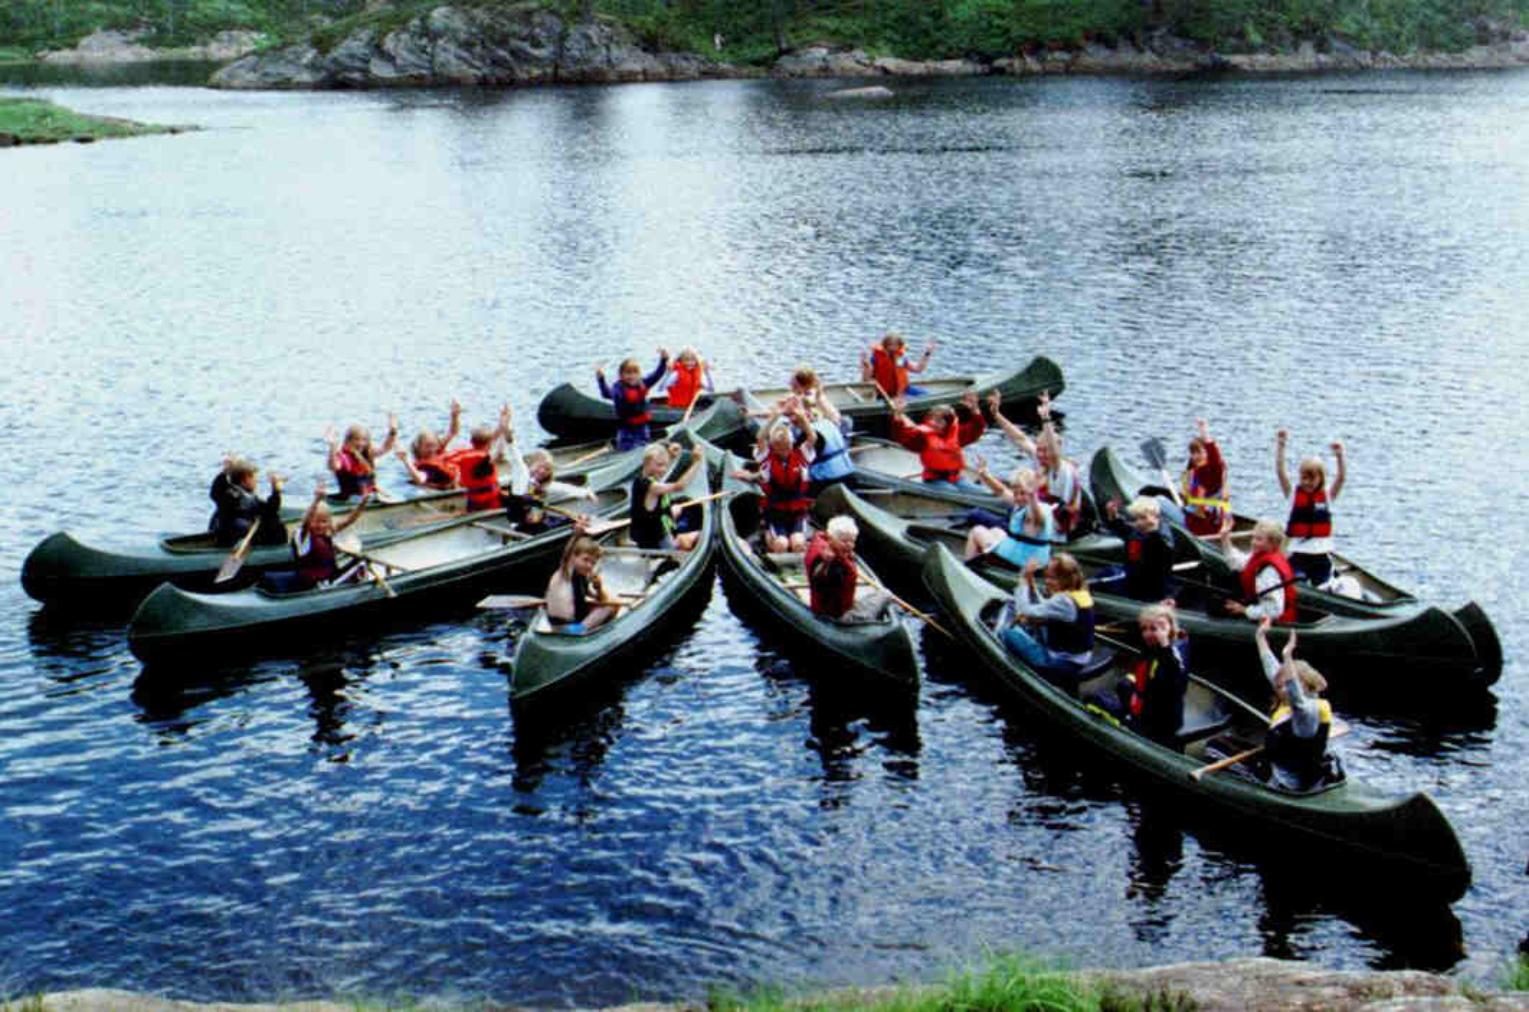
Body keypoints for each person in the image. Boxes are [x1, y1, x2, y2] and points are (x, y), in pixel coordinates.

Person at [1255, 616, 1339, 790]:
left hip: (1290, 783)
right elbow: (1272, 669)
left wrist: (1287, 656)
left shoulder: (1306, 712)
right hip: (1281, 764)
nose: (1282, 688)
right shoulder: (1286, 693)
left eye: (1288, 683)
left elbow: (1296, 697)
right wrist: (1260, 637)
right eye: (1281, 685)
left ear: (1307, 685)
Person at [986, 389, 1085, 535]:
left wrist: (1046, 418)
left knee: (981, 517)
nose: (1040, 454)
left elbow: (1053, 452)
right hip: (1037, 516)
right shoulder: (1041, 458)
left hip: (1053, 528)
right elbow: (1020, 438)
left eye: (1045, 450)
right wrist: (996, 414)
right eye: (1039, 449)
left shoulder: (1063, 470)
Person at [995, 553, 1096, 684]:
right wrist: (1031, 584)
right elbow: (1044, 607)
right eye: (1047, 577)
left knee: (1006, 633)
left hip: (1061, 663)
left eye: (1052, 578)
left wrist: (1023, 582)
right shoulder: (1079, 593)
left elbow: (1024, 609)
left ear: (1065, 579)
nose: (1047, 582)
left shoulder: (1064, 601)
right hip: (1079, 658)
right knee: (1031, 622)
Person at [262, 484, 373, 593]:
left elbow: (349, 521)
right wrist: (316, 500)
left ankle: (356, 587)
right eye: (316, 521)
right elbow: (305, 521)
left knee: (360, 561)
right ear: (310, 521)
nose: (320, 525)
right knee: (362, 563)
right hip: (319, 584)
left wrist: (362, 504)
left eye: (324, 521)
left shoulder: (327, 533)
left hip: (330, 577)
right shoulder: (304, 536)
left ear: (329, 522)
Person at [741, 399, 816, 552]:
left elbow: (812, 438)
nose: (784, 451)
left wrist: (802, 418)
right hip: (775, 512)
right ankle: (769, 538)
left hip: (797, 512)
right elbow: (760, 438)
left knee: (798, 543)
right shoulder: (767, 457)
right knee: (782, 544)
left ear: (791, 445)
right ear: (774, 446)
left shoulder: (801, 455)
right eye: (779, 447)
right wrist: (775, 416)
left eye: (787, 446)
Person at [1275, 430, 1347, 587]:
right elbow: (1281, 472)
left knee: (1323, 585)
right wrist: (1281, 445)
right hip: (1299, 555)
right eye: (1303, 478)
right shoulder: (1294, 494)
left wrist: (1340, 456)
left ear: (1321, 478)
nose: (1307, 482)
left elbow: (1341, 478)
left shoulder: (1327, 495)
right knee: (1297, 581)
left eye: (1312, 478)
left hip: (1321, 557)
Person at [1117, 603, 1191, 749]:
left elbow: (1173, 674)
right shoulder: (1151, 646)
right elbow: (1134, 628)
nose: (1148, 634)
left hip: (1162, 715)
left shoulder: (1172, 653)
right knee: (1124, 684)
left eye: (1155, 629)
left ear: (1169, 629)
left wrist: (1164, 643)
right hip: (1147, 699)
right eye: (1145, 629)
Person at [888, 390, 986, 492]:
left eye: (939, 421)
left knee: (981, 492)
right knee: (951, 491)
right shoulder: (923, 437)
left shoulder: (956, 433)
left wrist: (975, 409)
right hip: (934, 480)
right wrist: (898, 414)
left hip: (956, 478)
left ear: (948, 424)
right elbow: (902, 436)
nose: (933, 423)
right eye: (932, 419)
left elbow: (977, 428)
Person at [964, 462, 1057, 569]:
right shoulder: (1023, 503)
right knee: (997, 531)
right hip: (1030, 558)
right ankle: (979, 560)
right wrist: (986, 475)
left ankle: (969, 568)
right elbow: (1001, 491)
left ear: (1033, 492)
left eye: (1022, 493)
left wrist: (1032, 496)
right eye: (1015, 493)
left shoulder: (1035, 511)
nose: (1018, 497)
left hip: (1021, 562)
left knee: (977, 531)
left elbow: (1037, 518)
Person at [804, 516, 892, 622]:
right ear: (831, 538)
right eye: (844, 541)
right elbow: (821, 581)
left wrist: (844, 557)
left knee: (877, 595)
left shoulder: (822, 544)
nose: (850, 545)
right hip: (837, 615)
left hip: (835, 605)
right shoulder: (833, 565)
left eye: (852, 541)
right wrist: (828, 563)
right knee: (886, 594)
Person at [1217, 518, 1298, 624]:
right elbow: (1237, 563)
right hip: (1259, 607)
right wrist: (1225, 538)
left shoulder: (1269, 571)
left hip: (1276, 624)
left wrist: (1245, 610)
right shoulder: (1262, 555)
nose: (1253, 542)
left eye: (1259, 539)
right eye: (1253, 538)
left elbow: (1275, 610)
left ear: (1272, 543)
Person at [544, 524, 620, 634]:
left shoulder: (583, 577)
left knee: (611, 606)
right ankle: (584, 631)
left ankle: (592, 630)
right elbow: (567, 556)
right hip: (564, 628)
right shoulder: (565, 574)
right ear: (574, 557)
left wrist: (598, 588)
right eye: (585, 560)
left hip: (577, 621)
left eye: (592, 563)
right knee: (609, 608)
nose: (589, 565)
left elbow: (601, 600)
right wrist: (577, 535)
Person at [791, 368, 855, 493]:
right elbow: (836, 417)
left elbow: (794, 463)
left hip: (828, 482)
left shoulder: (809, 434)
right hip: (849, 477)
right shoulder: (828, 423)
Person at [631, 442, 703, 552]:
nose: (664, 469)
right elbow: (680, 486)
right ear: (646, 463)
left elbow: (660, 469)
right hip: (655, 540)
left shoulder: (642, 478)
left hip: (652, 528)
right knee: (696, 536)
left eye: (665, 465)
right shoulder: (651, 486)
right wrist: (697, 462)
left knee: (679, 511)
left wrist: (671, 456)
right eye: (659, 465)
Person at [1102, 496, 1175, 603]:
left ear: (1153, 516)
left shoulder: (1161, 540)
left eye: (1141, 518)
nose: (1137, 522)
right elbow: (1125, 530)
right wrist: (1113, 516)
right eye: (1136, 518)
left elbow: (1163, 572)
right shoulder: (1140, 531)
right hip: (1133, 581)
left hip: (1150, 590)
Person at [442, 405, 512, 513]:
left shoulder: (463, 455)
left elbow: (445, 460)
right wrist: (505, 420)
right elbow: (496, 439)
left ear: (471, 441)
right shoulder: (488, 456)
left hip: (473, 499)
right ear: (489, 443)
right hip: (492, 499)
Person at [597, 350, 670, 451]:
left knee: (643, 444)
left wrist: (663, 360)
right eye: (628, 373)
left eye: (635, 373)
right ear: (621, 375)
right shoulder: (618, 389)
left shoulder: (643, 383)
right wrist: (601, 380)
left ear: (639, 374)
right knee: (625, 445)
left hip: (641, 425)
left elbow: (657, 375)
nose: (632, 376)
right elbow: (606, 393)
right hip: (626, 426)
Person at [208, 457, 286, 547]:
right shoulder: (232, 495)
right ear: (245, 479)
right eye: (254, 478)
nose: (256, 481)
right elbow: (216, 492)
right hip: (233, 536)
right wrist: (225, 472)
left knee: (274, 522)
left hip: (246, 533)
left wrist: (276, 491)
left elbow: (270, 510)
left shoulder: (250, 496)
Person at [325, 416, 398, 499]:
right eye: (356, 439)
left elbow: (386, 448)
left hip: (369, 497)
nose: (361, 443)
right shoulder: (344, 457)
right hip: (351, 500)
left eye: (364, 440)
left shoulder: (367, 453)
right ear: (348, 441)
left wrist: (393, 431)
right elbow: (333, 466)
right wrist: (332, 446)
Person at [1180, 418, 1230, 537]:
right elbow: (1186, 493)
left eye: (1200, 452)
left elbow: (1214, 458)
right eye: (1193, 453)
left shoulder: (1213, 473)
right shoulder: (1194, 471)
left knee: (1160, 501)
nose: (1196, 456)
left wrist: (1204, 431)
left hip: (1204, 527)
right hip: (1193, 520)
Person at [396, 400, 463, 489]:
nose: (431, 449)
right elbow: (420, 479)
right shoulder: (425, 466)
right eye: (427, 446)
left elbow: (452, 432)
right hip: (439, 488)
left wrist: (455, 416)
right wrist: (405, 461)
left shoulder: (437, 450)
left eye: (433, 445)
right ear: (419, 447)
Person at [860, 332, 934, 398]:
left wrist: (927, 353)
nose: (893, 348)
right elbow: (866, 380)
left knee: (928, 396)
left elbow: (918, 369)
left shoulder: (900, 358)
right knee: (909, 400)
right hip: (886, 393)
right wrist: (866, 366)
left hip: (904, 390)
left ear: (899, 346)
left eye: (896, 345)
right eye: (890, 345)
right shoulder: (875, 358)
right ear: (885, 345)